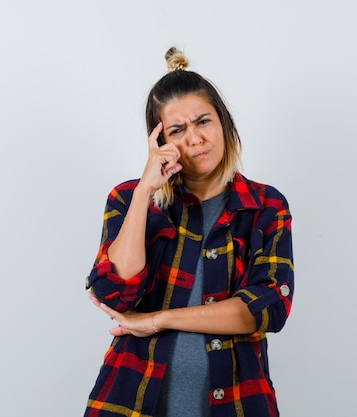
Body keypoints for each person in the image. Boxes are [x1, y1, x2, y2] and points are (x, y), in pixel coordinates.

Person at [84, 47, 294, 417]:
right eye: (178, 130)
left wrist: (158, 319)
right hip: (130, 400)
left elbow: (265, 309)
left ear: (224, 123)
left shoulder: (266, 207)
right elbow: (116, 294)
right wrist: (145, 191)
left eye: (203, 121)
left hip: (239, 404)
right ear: (159, 142)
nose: (195, 139)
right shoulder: (128, 199)